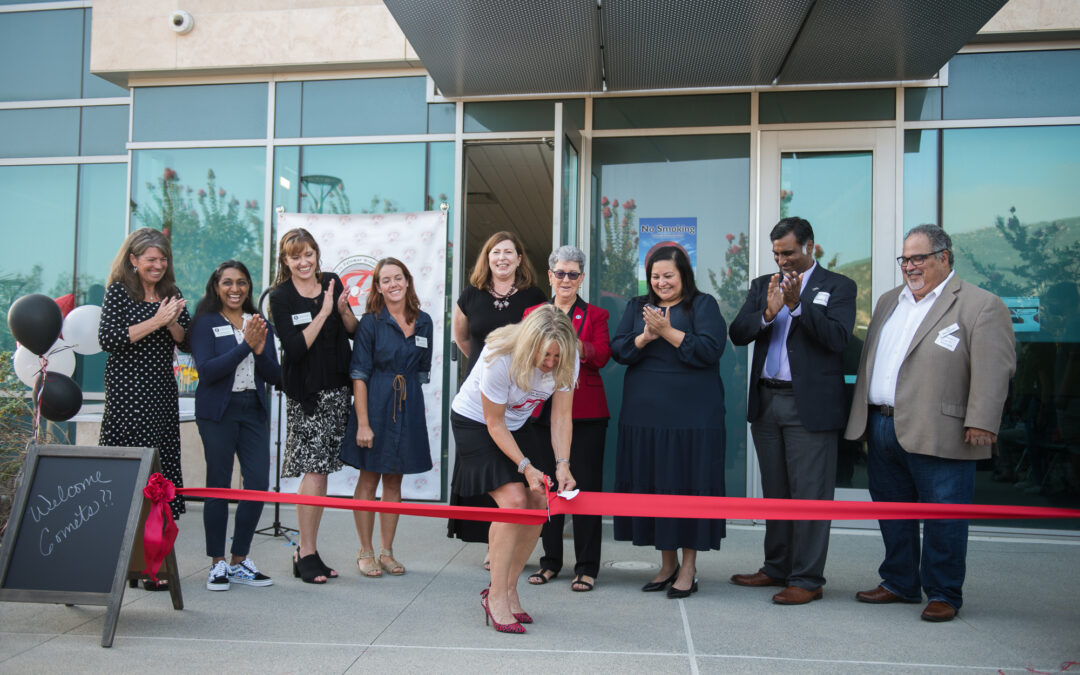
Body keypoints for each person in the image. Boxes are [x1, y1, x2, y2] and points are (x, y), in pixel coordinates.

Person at [845, 224, 1015, 622]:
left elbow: (996, 368)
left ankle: (943, 592)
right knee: (892, 511)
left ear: (945, 257)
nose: (910, 266)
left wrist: (983, 420)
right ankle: (900, 582)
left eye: (919, 258)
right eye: (905, 259)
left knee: (945, 516)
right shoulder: (889, 301)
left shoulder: (980, 304)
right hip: (883, 425)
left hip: (945, 429)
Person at [728, 217, 856, 605]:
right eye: (776, 253)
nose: (781, 260)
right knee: (777, 492)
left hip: (809, 407)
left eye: (788, 252)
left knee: (810, 495)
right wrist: (767, 314)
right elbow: (737, 333)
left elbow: (837, 339)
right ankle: (777, 567)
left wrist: (798, 307)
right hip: (767, 402)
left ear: (810, 247)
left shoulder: (838, 286)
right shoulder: (761, 286)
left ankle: (807, 578)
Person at [449, 304, 577, 633]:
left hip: (515, 425)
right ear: (529, 343)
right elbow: (493, 422)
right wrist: (526, 466)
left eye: (556, 359)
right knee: (514, 502)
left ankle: (508, 588)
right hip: (476, 423)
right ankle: (494, 596)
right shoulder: (499, 355)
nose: (550, 364)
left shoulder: (567, 356)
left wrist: (562, 464)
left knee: (539, 501)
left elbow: (561, 416)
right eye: (545, 356)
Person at [610, 245, 727, 599]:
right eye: (655, 276)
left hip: (692, 420)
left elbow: (710, 349)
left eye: (668, 276)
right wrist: (645, 336)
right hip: (646, 418)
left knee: (687, 486)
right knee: (657, 485)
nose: (661, 282)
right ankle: (666, 563)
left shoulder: (702, 305)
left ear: (683, 275)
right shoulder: (636, 306)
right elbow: (619, 350)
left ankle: (688, 567)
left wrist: (668, 331)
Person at [268, 227, 358, 584]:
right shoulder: (281, 296)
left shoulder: (332, 281)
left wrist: (340, 310)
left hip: (338, 391)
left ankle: (308, 549)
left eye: (309, 254)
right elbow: (294, 348)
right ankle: (305, 552)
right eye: (295, 256)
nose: (304, 262)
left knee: (321, 472)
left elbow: (352, 329)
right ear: (285, 261)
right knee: (315, 470)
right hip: (307, 396)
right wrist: (322, 313)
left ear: (317, 255)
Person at [448, 231, 546, 555]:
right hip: (480, 397)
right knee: (492, 478)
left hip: (516, 401)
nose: (501, 258)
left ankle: (506, 552)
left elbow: (543, 342)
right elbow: (462, 339)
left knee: (515, 477)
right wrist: (486, 368)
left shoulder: (533, 296)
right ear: (486, 258)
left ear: (519, 259)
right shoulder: (470, 295)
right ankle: (495, 549)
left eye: (509, 252)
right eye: (495, 252)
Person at [523, 245, 610, 592]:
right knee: (547, 491)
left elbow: (602, 355)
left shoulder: (597, 315)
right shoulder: (533, 312)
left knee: (585, 493)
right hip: (542, 414)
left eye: (573, 274)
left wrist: (570, 343)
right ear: (550, 276)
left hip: (586, 415)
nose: (566, 280)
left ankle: (587, 567)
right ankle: (551, 561)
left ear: (582, 278)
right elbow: (523, 353)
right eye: (560, 273)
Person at [339, 258, 433, 578]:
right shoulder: (370, 323)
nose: (393, 284)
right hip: (375, 403)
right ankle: (365, 551)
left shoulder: (425, 322)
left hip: (408, 405)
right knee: (369, 478)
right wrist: (363, 423)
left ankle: (387, 552)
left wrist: (410, 406)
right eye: (385, 280)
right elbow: (359, 374)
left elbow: (422, 371)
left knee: (395, 480)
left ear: (407, 280)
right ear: (378, 287)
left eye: (398, 277)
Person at [190, 261, 281, 591]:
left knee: (257, 484)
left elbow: (275, 376)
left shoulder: (258, 323)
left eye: (241, 282)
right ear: (216, 286)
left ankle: (240, 559)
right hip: (218, 412)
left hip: (252, 410)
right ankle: (217, 563)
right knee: (219, 484)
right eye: (227, 282)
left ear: (248, 287)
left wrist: (258, 350)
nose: (235, 288)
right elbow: (208, 371)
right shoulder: (204, 323)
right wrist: (246, 345)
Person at [99, 227, 190, 550]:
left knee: (161, 468)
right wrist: (155, 320)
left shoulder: (171, 292)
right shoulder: (119, 292)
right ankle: (125, 554)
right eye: (151, 259)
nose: (158, 265)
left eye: (163, 258)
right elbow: (108, 339)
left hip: (162, 395)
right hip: (129, 397)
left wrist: (172, 322)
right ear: (134, 259)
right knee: (134, 473)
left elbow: (188, 339)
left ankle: (153, 556)